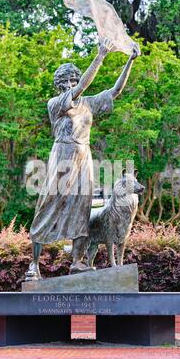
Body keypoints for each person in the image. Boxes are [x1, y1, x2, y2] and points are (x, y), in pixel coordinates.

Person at [26, 38, 140, 280]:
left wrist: (129, 61)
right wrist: (100, 56)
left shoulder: (87, 104)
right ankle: (34, 265)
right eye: (65, 81)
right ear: (58, 86)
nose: (70, 84)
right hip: (62, 156)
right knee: (47, 207)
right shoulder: (55, 104)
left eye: (73, 80)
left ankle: (77, 261)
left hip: (84, 157)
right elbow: (78, 92)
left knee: (82, 208)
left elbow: (115, 91)